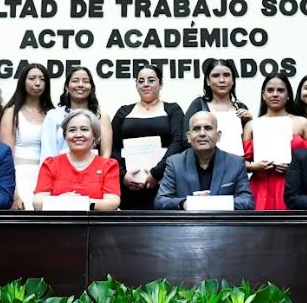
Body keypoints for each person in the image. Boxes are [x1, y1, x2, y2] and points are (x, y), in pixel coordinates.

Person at [113, 64, 186, 210]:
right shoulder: (124, 112)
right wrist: (122, 175)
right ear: (136, 85)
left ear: (161, 84)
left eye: (151, 80)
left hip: (165, 182)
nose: (145, 84)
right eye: (141, 81)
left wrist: (156, 173)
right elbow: (113, 147)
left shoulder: (173, 110)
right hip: (129, 185)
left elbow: (178, 142)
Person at [242, 73, 307, 211]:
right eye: (270, 90)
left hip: (293, 187)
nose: (275, 94)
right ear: (263, 95)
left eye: (280, 90)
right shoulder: (251, 125)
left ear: (288, 95)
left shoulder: (302, 123)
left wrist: (293, 170)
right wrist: (253, 167)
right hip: (260, 186)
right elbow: (240, 162)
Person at [155, 111, 254, 210]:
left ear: (218, 136)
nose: (202, 133)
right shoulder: (174, 163)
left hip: (222, 219)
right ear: (188, 137)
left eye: (208, 128)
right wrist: (185, 203)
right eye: (196, 129)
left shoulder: (236, 163)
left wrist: (213, 203)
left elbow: (247, 201)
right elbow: (161, 201)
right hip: (188, 219)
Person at [32, 109, 121, 211]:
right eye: (72, 130)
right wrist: (62, 201)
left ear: (94, 135)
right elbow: (38, 203)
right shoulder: (50, 164)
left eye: (84, 129)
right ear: (65, 136)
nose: (78, 135)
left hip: (94, 221)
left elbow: (112, 202)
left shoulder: (108, 165)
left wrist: (80, 202)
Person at [0, 62, 55, 210]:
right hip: (20, 176)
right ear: (23, 82)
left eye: (42, 79)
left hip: (47, 177)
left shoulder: (52, 113)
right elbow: (6, 155)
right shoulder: (12, 112)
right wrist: (13, 192)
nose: (37, 83)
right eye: (32, 78)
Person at [43, 66, 114, 159]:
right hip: (59, 167)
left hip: (93, 167)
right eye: (75, 81)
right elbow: (48, 152)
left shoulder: (101, 115)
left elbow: (106, 154)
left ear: (91, 87)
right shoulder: (53, 115)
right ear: (67, 87)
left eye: (86, 81)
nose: (80, 85)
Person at [182, 58, 253, 132]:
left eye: (226, 75)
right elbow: (187, 135)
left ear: (232, 80)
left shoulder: (241, 108)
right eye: (216, 76)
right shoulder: (199, 105)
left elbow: (251, 137)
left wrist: (251, 122)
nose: (222, 80)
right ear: (208, 81)